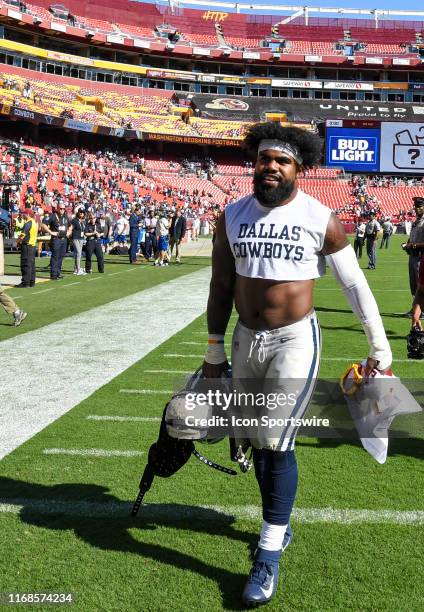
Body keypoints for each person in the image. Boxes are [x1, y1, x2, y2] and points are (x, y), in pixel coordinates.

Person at [202, 123, 392, 607]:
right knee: (259, 443)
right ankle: (278, 527)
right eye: (265, 158)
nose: (271, 167)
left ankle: (267, 553)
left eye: (282, 161)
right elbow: (221, 288)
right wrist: (213, 350)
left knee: (275, 438)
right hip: (246, 339)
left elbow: (354, 287)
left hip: (294, 339)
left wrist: (379, 346)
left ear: (299, 169)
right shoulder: (232, 215)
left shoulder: (321, 218)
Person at [402, 197, 424, 316]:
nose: (417, 209)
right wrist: (407, 244)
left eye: (420, 207)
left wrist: (413, 245)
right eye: (416, 207)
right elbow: (412, 238)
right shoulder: (416, 221)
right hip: (413, 257)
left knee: (421, 285)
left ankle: (422, 310)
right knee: (414, 284)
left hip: (421, 258)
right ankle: (415, 309)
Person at [41, 204, 71, 280]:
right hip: (56, 239)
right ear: (57, 208)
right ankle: (54, 275)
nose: (62, 210)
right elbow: (43, 224)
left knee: (61, 257)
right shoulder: (53, 216)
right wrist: (50, 232)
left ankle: (58, 273)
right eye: (60, 208)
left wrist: (69, 232)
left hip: (64, 239)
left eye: (63, 208)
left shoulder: (65, 216)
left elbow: (71, 225)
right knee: (55, 257)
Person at [16, 209, 38, 288]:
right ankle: (32, 282)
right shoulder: (34, 222)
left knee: (25, 264)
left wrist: (17, 242)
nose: (22, 215)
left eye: (24, 213)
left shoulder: (28, 223)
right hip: (32, 246)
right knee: (31, 265)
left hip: (27, 246)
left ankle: (25, 282)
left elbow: (22, 235)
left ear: (27, 214)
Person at [69, 208, 86, 275]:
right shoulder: (74, 220)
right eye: (80, 212)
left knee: (77, 253)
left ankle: (76, 268)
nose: (81, 214)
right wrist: (69, 235)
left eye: (83, 213)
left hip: (81, 238)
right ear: (78, 213)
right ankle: (78, 270)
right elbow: (70, 228)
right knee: (79, 253)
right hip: (75, 238)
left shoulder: (83, 221)